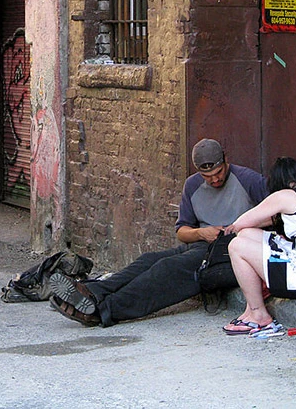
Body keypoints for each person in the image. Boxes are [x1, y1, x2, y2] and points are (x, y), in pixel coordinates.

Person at [49, 138, 269, 327]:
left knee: (168, 268)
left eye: (218, 173)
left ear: (226, 160)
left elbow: (274, 215)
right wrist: (203, 234)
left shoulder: (249, 180)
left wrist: (241, 227)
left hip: (229, 251)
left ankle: (103, 310)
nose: (214, 179)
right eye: (207, 175)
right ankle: (92, 292)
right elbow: (182, 232)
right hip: (202, 243)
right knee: (148, 260)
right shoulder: (192, 186)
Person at [222, 157, 296, 335]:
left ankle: (259, 315)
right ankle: (250, 309)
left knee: (237, 245)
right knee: (246, 235)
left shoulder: (284, 195)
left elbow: (241, 223)